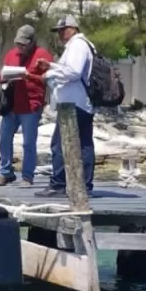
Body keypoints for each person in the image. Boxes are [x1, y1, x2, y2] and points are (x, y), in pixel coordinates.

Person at [34, 15, 95, 197]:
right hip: (80, 103)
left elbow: (73, 72)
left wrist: (50, 74)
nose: (60, 34)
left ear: (72, 28)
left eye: (62, 30)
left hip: (74, 104)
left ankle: (59, 184)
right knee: (84, 144)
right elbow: (70, 70)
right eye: (58, 31)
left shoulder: (77, 45)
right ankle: (84, 185)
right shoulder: (81, 45)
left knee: (59, 144)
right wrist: (51, 66)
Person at [0, 25, 52, 186]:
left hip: (31, 106)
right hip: (11, 104)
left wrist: (29, 76)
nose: (20, 47)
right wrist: (5, 77)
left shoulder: (42, 55)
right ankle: (6, 172)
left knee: (28, 142)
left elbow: (48, 79)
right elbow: (1, 77)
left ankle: (27, 176)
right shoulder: (11, 54)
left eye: (24, 44)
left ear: (32, 42)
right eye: (18, 43)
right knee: (4, 138)